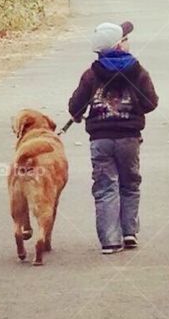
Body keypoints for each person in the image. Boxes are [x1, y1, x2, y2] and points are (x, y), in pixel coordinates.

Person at [68, 21, 159, 254]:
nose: (128, 42)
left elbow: (76, 106)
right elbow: (151, 102)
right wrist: (135, 109)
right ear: (119, 46)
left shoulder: (91, 75)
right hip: (129, 138)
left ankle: (110, 241)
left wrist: (78, 114)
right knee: (130, 184)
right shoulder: (138, 71)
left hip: (100, 139)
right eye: (125, 39)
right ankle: (129, 232)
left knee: (105, 186)